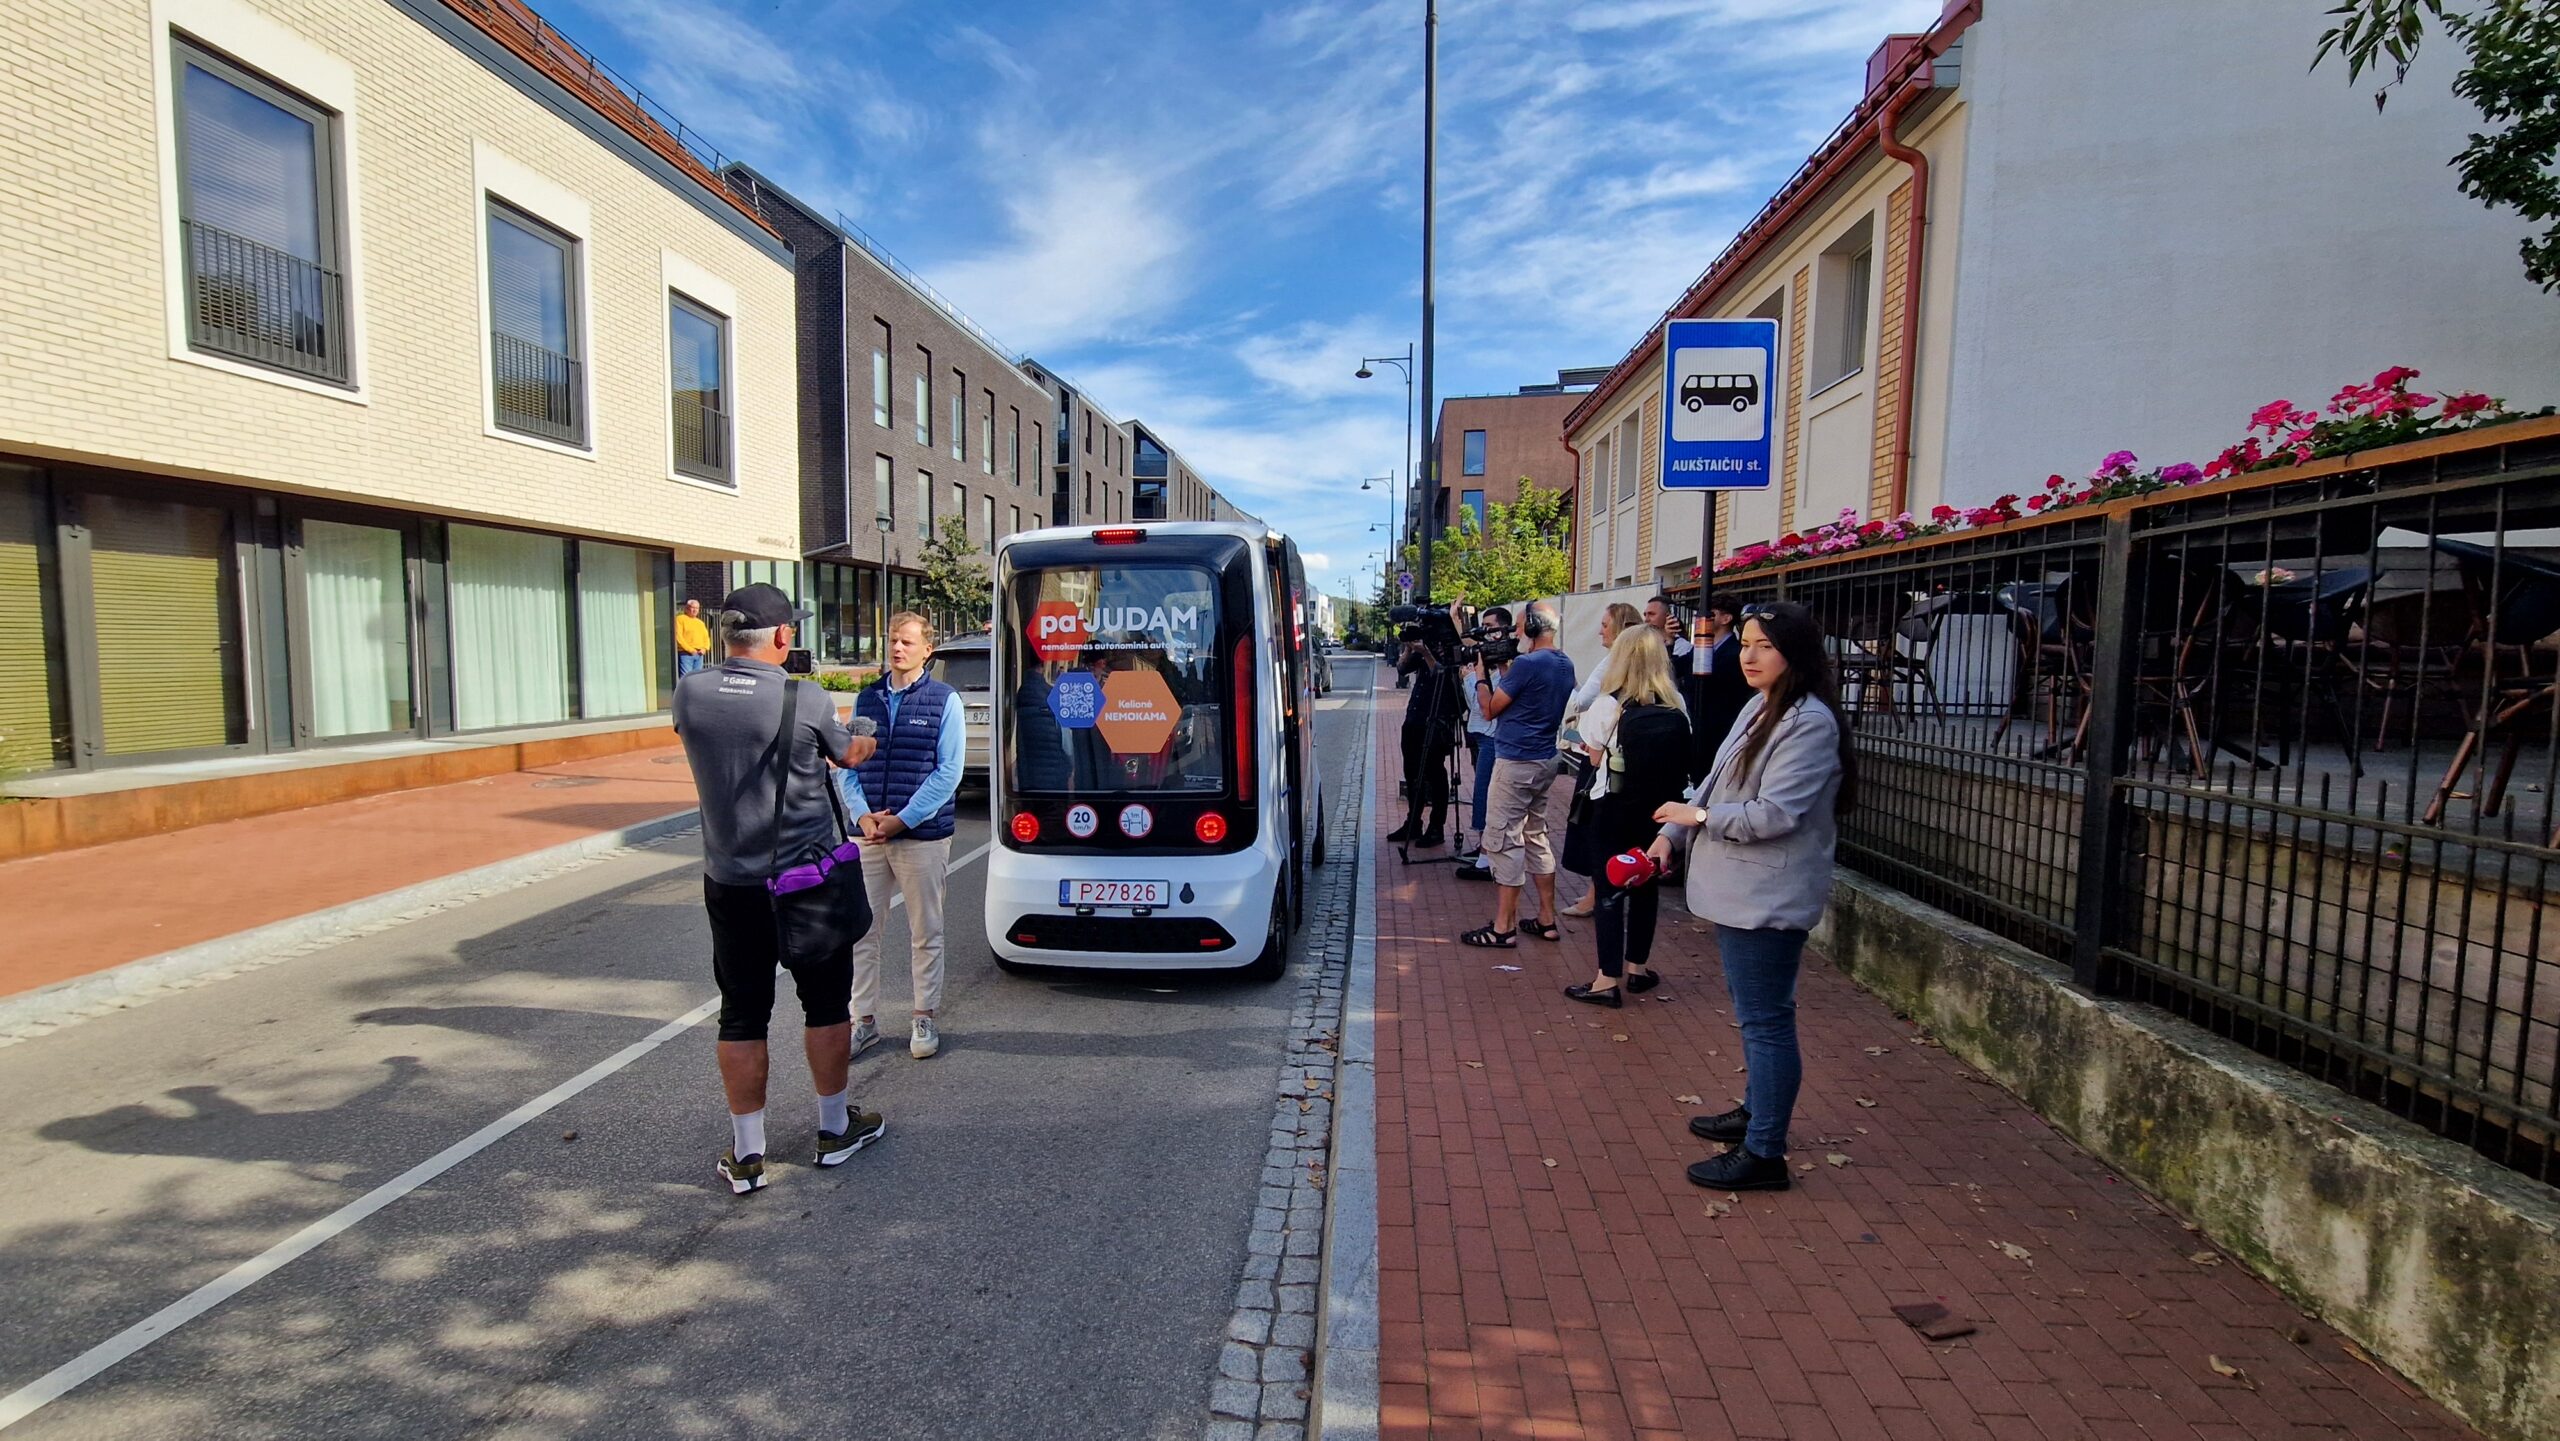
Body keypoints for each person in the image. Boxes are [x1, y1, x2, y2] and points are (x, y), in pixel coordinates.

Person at [673, 583, 885, 1194]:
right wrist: (861, 737)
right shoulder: (806, 697)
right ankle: (834, 1127)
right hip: (807, 880)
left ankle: (747, 1153)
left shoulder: (690, 692)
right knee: (824, 1004)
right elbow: (848, 756)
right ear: (784, 638)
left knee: (741, 1013)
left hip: (730, 882)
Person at [1647, 601, 1855, 1191]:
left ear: (1797, 652)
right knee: (1753, 1013)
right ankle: (1756, 1110)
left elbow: (1776, 813)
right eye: (1744, 643)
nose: (1749, 655)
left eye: (1763, 645)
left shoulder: (1809, 722)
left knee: (1766, 1021)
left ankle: (1765, 1152)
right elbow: (1712, 781)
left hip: (1768, 894)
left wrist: (1700, 816)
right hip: (1737, 891)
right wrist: (1670, 838)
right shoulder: (1761, 707)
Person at [839, 612, 966, 1061]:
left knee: (924, 931)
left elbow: (949, 771)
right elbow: (850, 765)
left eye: (908, 642)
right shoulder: (866, 701)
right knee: (861, 932)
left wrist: (904, 819)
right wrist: (863, 815)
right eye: (893, 640)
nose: (897, 648)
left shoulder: (943, 700)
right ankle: (863, 1021)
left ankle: (923, 1015)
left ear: (926, 650)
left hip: (923, 837)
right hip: (869, 835)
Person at [1562, 627, 1692, 1006]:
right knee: (1645, 885)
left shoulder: (1609, 704)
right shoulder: (1676, 703)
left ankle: (1606, 979)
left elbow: (1593, 753)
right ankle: (1637, 968)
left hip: (1613, 808)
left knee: (1609, 889)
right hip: (1659, 812)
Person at [1460, 601, 1575, 948]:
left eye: (1520, 625)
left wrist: (1481, 675)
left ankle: (1503, 927)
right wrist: (1506, 666)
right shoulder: (1563, 662)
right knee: (1536, 835)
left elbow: (1490, 709)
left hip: (1516, 762)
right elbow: (1525, 693)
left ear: (1532, 628)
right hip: (1545, 759)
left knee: (1504, 840)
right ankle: (1546, 918)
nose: (1515, 632)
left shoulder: (1528, 663)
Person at [1558, 602, 1643, 917]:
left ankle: (1598, 895)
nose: (1599, 630)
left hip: (1603, 759)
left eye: (1605, 624)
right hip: (1625, 759)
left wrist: (1563, 685)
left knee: (1596, 826)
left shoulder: (1611, 666)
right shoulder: (1648, 670)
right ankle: (1600, 891)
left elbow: (1582, 700)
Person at [1390, 622, 1461, 847]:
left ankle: (1436, 827)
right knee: (1411, 773)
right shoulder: (1421, 651)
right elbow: (1401, 669)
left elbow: (1441, 674)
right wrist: (1410, 649)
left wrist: (1426, 652)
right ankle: (1413, 822)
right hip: (1414, 719)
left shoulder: (1451, 650)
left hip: (1437, 721)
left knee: (1435, 774)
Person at [1456, 606, 1512, 869]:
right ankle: (1483, 849)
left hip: (1492, 736)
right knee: (1483, 791)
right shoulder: (1489, 655)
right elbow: (1469, 642)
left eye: (1490, 627)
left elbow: (1484, 706)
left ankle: (1486, 856)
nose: (1485, 633)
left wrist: (1470, 678)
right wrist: (1455, 620)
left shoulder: (1507, 660)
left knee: (1485, 794)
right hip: (1481, 735)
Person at [1685, 596, 1751, 783]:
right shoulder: (1700, 647)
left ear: (1726, 618)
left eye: (1711, 614)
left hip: (1720, 729)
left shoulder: (1735, 652)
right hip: (1700, 729)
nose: (1702, 620)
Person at [675, 598, 712, 678]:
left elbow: (706, 637)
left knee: (697, 677)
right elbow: (679, 637)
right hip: (686, 653)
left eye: (697, 608)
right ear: (687, 608)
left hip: (699, 654)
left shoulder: (700, 623)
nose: (695, 610)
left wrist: (705, 648)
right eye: (693, 607)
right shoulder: (680, 619)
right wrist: (690, 650)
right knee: (686, 677)